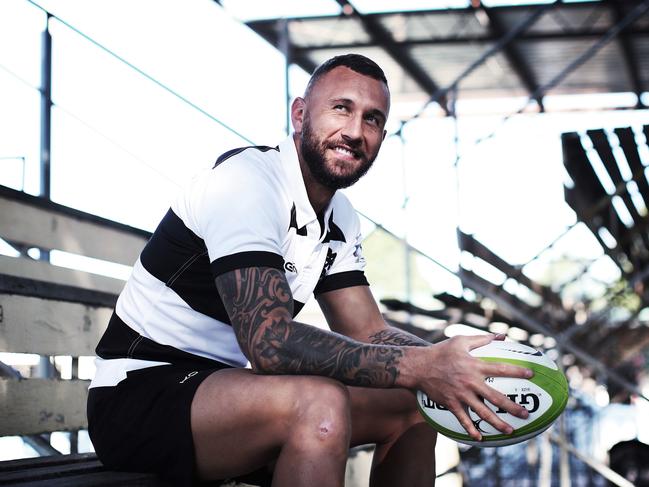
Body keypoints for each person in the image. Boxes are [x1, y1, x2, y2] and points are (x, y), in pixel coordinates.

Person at [87, 53, 532, 487]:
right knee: (320, 403)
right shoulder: (246, 182)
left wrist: (460, 366)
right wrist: (421, 365)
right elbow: (269, 343)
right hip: (139, 395)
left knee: (414, 402)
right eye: (342, 108)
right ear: (300, 114)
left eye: (373, 119)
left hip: (229, 390)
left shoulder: (340, 217)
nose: (355, 131)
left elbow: (369, 331)